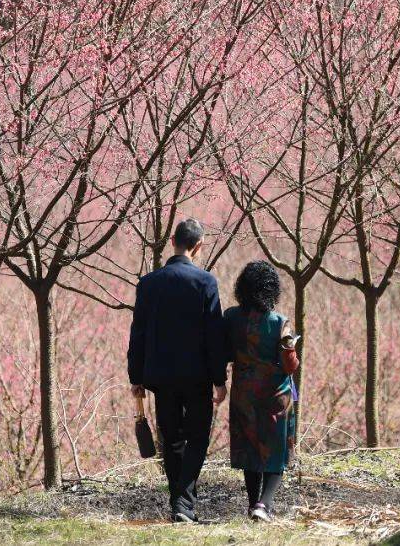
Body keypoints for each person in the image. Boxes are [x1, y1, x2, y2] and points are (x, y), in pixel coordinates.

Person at [127, 218, 227, 523]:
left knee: (170, 438)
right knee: (197, 438)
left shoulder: (149, 283)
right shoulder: (205, 282)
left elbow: (138, 333)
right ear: (198, 246)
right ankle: (183, 505)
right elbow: (214, 334)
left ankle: (180, 505)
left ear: (172, 241)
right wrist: (219, 379)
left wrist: (136, 378)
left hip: (161, 377)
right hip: (197, 377)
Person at [224, 261, 299, 522]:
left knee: (249, 448)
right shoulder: (280, 322)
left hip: (243, 393)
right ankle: (264, 505)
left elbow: (224, 352)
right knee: (275, 451)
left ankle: (251, 504)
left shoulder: (231, 317)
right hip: (275, 396)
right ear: (272, 290)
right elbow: (290, 366)